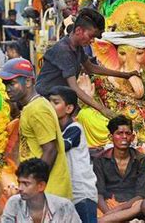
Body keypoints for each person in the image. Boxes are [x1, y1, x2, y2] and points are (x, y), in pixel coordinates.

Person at [35, 8, 140, 119]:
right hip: (45, 103)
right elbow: (74, 88)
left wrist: (125, 75)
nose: (92, 41)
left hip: (58, 101)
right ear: (79, 31)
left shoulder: (77, 47)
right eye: (91, 36)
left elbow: (91, 68)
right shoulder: (63, 51)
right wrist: (102, 109)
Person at [0, 58, 73, 199]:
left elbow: (50, 150)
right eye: (5, 84)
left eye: (12, 83)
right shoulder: (31, 107)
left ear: (29, 82)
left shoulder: (37, 109)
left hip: (48, 194)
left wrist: (33, 185)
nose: (7, 89)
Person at [48, 86, 98, 223]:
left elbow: (58, 147)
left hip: (82, 194)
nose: (50, 106)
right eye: (49, 102)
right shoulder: (59, 130)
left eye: (56, 102)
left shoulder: (75, 129)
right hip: (68, 194)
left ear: (69, 109)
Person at [92, 115, 145, 222]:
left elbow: (140, 194)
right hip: (107, 205)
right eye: (119, 133)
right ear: (110, 137)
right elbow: (99, 193)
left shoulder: (141, 159)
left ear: (132, 137)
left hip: (131, 206)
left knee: (143, 204)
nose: (124, 137)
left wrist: (119, 210)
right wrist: (108, 212)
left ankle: (109, 220)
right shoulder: (100, 159)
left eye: (127, 133)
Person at [1, 158, 81, 223]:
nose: (20, 188)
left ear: (41, 186)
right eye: (19, 183)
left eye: (26, 184)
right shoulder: (14, 203)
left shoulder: (64, 206)